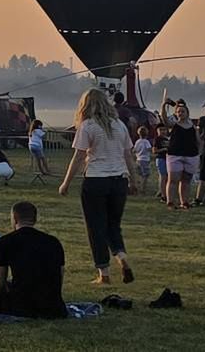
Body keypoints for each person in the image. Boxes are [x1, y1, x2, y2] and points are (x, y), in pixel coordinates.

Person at [58, 86, 139, 286]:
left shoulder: (88, 126)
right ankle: (121, 256)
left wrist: (66, 183)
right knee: (113, 225)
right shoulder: (119, 125)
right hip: (119, 179)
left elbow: (78, 156)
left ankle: (104, 273)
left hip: (96, 179)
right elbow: (128, 154)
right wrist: (133, 180)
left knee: (96, 227)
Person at [164, 100, 200, 210]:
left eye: (183, 111)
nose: (180, 113)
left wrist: (200, 153)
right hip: (175, 155)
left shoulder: (193, 127)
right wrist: (163, 106)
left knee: (186, 180)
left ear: (187, 113)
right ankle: (170, 202)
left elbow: (198, 141)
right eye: (178, 112)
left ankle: (184, 202)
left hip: (191, 155)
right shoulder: (173, 125)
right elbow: (165, 120)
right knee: (173, 179)